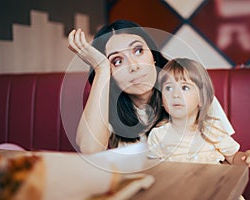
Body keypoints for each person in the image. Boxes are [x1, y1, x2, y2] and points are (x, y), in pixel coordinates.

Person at [68, 20, 235, 154]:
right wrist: (101, 69)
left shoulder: (189, 89)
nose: (133, 66)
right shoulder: (108, 104)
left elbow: (228, 156)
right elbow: (89, 149)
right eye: (117, 61)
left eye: (138, 51)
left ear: (153, 56)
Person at [147, 58, 250, 169]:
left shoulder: (213, 128)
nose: (175, 94)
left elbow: (233, 158)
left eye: (185, 87)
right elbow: (154, 169)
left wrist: (247, 157)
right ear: (161, 100)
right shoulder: (158, 135)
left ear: (202, 99)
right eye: (168, 88)